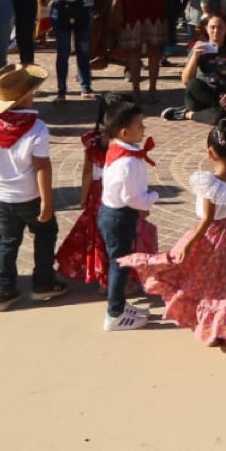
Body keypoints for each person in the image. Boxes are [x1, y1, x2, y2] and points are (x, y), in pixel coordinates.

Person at [120, 118, 226, 347]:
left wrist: (188, 244)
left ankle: (214, 329)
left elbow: (207, 219)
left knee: (211, 284)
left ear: (210, 153)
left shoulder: (210, 183)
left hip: (214, 237)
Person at [0, 62, 70, 311]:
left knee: (7, 241)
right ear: (25, 98)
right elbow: (42, 166)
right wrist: (47, 201)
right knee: (44, 234)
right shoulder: (38, 128)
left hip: (0, 196)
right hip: (29, 196)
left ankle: (2, 290)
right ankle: (43, 283)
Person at [56, 94, 160, 290]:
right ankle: (117, 286)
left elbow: (88, 172)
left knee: (101, 240)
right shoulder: (126, 147)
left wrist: (84, 197)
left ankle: (106, 281)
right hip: (120, 200)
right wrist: (144, 204)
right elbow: (132, 184)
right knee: (122, 242)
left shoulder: (94, 141)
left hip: (98, 196)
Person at [95, 96, 158, 332]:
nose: (143, 130)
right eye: (140, 126)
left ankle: (119, 304)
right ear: (124, 132)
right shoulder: (128, 163)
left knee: (119, 262)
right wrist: (152, 197)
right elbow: (133, 198)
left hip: (111, 212)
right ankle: (115, 313)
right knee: (119, 264)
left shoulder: (120, 151)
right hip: (120, 216)